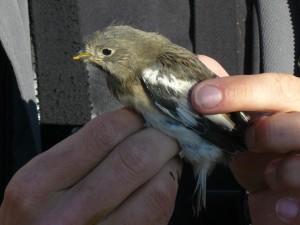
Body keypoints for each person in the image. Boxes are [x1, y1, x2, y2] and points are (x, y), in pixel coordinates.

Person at [1, 0, 300, 225]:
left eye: (105, 53)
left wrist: (249, 145)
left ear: (129, 54)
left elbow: (213, 125)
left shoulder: (151, 71)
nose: (89, 58)